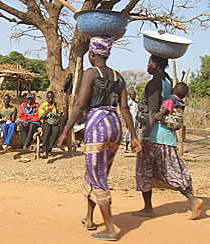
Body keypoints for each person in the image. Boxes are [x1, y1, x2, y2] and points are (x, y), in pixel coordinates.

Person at [57, 37, 141, 241]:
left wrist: (66, 131)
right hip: (114, 126)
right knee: (96, 171)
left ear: (92, 54)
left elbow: (79, 105)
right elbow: (123, 108)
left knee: (97, 176)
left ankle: (111, 228)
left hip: (98, 126)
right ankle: (89, 217)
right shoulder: (118, 77)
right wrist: (134, 136)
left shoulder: (90, 74)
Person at [133, 54, 203, 220]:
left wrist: (146, 137)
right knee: (172, 169)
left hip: (154, 135)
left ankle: (149, 207)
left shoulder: (155, 83)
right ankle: (191, 198)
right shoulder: (167, 81)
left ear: (156, 65)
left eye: (149, 62)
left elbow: (152, 112)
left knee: (144, 170)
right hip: (167, 135)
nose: (147, 65)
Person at [39, 91, 62, 158]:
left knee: (56, 131)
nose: (51, 99)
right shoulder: (43, 105)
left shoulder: (56, 104)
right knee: (46, 133)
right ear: (47, 98)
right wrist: (47, 111)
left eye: (52, 97)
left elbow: (58, 115)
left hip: (55, 122)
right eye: (49, 97)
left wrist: (61, 113)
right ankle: (44, 151)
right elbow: (41, 117)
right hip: (46, 121)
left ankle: (48, 149)